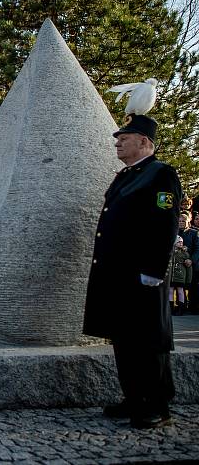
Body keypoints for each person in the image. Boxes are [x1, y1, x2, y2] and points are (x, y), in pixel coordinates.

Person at [83, 112, 181, 429]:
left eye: (124, 138)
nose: (118, 143)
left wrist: (154, 270)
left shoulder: (160, 174)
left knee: (148, 342)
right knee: (125, 340)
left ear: (144, 141)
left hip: (143, 276)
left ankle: (157, 406)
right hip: (119, 277)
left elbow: (164, 225)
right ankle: (134, 398)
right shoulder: (125, 176)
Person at [169, 236, 191, 316]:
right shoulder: (172, 252)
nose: (181, 243)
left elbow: (188, 263)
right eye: (179, 242)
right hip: (172, 276)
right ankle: (171, 309)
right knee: (170, 291)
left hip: (181, 275)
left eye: (182, 242)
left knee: (180, 291)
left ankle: (181, 309)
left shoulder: (184, 253)